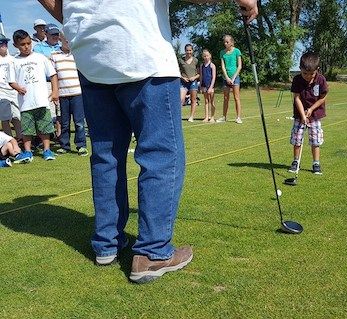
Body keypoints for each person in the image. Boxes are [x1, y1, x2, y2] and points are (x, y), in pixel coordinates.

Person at [38, 0, 258, 284]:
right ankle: (153, 253)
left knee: (106, 157)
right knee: (161, 156)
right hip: (140, 50)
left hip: (91, 55)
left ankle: (107, 244)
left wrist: (79, 15)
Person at [8, 30, 58, 162]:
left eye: (29, 43)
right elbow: (11, 80)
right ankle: (28, 152)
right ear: (15, 45)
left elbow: (53, 74)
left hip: (42, 100)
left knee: (45, 127)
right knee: (27, 129)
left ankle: (47, 150)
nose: (26, 46)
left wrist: (54, 92)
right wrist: (18, 88)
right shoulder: (14, 61)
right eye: (22, 44)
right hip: (25, 103)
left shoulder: (40, 58)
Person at [288, 52, 328, 175]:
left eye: (311, 74)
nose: (308, 76)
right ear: (300, 69)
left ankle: (316, 163)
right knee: (297, 139)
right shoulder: (297, 79)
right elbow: (297, 98)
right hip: (299, 115)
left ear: (317, 70)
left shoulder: (320, 80)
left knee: (315, 140)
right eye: (305, 73)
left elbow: (323, 97)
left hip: (315, 115)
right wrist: (302, 114)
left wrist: (311, 110)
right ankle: (296, 162)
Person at [50, 34, 88, 156]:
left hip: (78, 93)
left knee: (79, 122)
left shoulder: (78, 54)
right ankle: (64, 146)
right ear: (61, 39)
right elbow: (53, 76)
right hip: (63, 94)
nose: (68, 42)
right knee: (64, 122)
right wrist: (55, 92)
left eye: (70, 39)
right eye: (66, 39)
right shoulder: (54, 56)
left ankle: (81, 145)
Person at [0, 34, 23, 141]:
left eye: (5, 44)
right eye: (1, 44)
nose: (3, 47)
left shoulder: (13, 59)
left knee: (17, 116)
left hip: (14, 91)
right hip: (2, 92)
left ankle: (20, 137)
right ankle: (9, 140)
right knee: (5, 118)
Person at [217, 34, 243, 124]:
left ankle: (238, 117)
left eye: (227, 42)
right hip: (226, 78)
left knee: (236, 97)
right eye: (224, 42)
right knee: (225, 98)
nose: (225, 43)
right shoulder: (222, 53)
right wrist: (227, 77)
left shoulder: (237, 51)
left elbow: (239, 66)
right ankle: (224, 117)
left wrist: (233, 78)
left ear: (231, 42)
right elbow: (223, 66)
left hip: (235, 78)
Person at [179, 43, 199, 122]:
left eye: (190, 50)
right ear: (185, 51)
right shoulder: (181, 60)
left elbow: (199, 74)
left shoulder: (196, 60)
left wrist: (194, 77)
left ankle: (191, 116)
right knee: (181, 99)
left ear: (192, 51)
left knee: (193, 99)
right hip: (183, 82)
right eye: (187, 50)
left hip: (193, 82)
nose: (189, 52)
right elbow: (177, 72)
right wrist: (182, 77)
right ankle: (178, 116)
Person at [199, 49, 216, 123]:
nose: (206, 57)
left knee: (212, 102)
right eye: (204, 56)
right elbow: (201, 76)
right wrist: (201, 86)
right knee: (206, 101)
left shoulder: (212, 65)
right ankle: (206, 117)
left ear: (210, 56)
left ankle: (212, 117)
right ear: (203, 57)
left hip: (210, 86)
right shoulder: (201, 65)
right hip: (204, 86)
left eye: (207, 56)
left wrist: (211, 87)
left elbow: (214, 77)